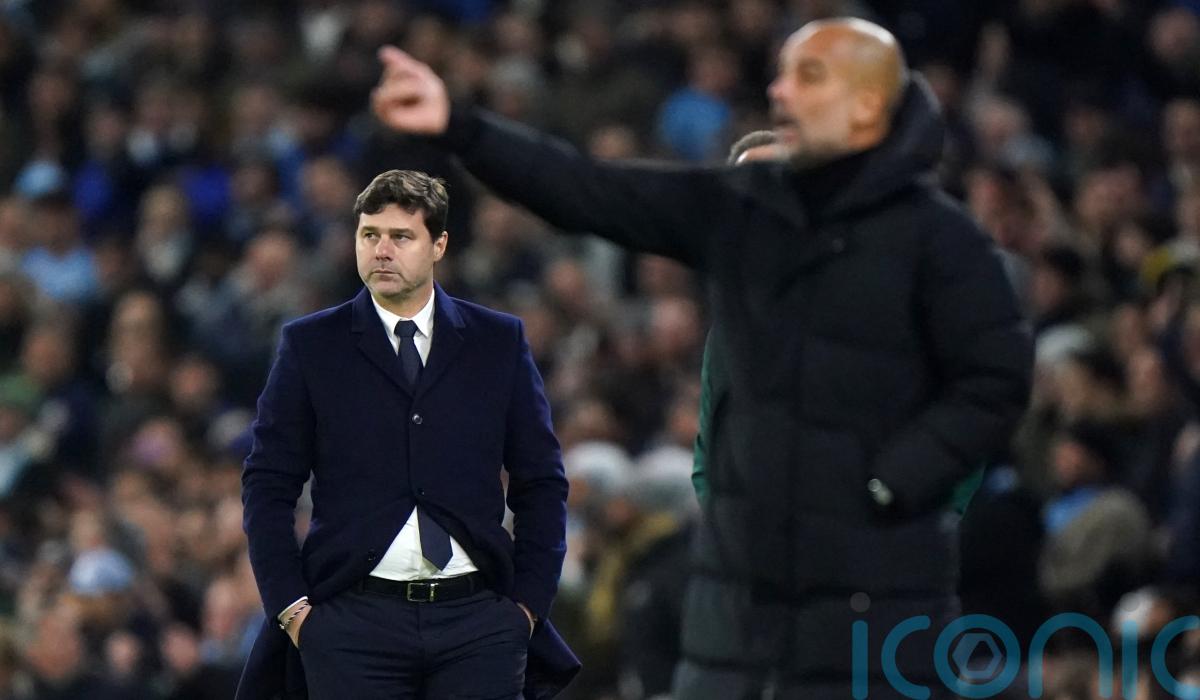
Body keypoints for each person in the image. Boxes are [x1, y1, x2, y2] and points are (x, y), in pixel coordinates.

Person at [371, 16, 1033, 699]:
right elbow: (589, 190)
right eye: (780, 75)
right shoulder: (741, 211)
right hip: (736, 609)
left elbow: (994, 380)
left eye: (808, 76)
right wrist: (461, 127)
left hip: (879, 603)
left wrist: (889, 485)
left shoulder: (940, 240)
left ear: (867, 104)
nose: (779, 92)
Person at [237, 169, 577, 700]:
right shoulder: (311, 345)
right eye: (369, 235)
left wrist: (527, 608)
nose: (382, 251)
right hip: (351, 624)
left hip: (478, 624)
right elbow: (267, 483)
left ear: (439, 244)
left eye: (401, 236)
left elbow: (542, 482)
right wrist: (293, 611)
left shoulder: (497, 342)